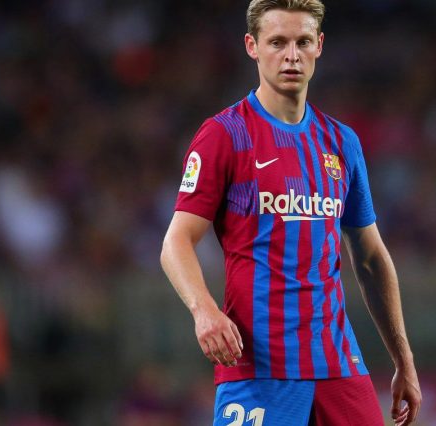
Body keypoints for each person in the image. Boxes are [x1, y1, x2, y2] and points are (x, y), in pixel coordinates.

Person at [160, 0, 421, 424]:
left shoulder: (341, 142)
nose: (291, 56)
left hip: (336, 362)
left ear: (319, 45)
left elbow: (371, 257)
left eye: (302, 42)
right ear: (252, 46)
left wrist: (403, 359)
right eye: (277, 42)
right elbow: (176, 242)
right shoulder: (225, 135)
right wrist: (203, 310)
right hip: (259, 364)